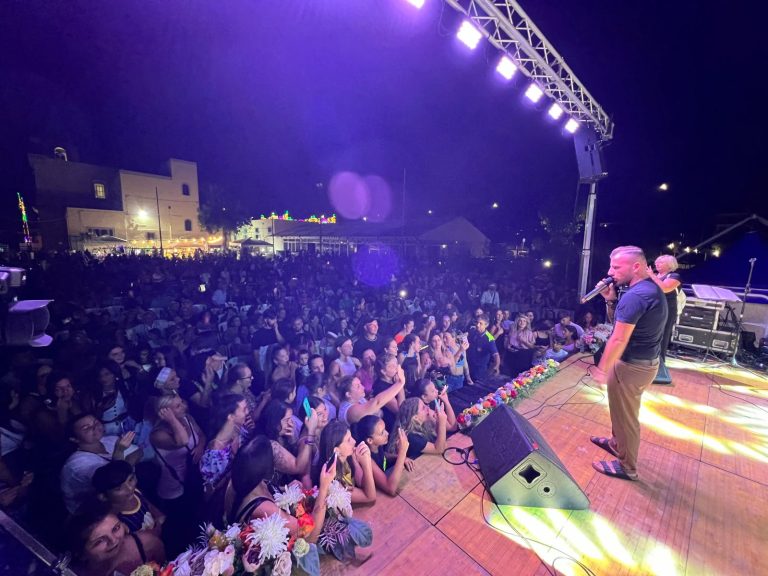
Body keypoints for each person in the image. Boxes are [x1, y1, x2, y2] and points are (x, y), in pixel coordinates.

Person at [590, 246, 667, 481]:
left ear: (636, 266)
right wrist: (610, 301)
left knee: (626, 418)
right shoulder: (647, 288)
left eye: (616, 267)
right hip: (639, 363)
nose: (610, 272)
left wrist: (602, 368)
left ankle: (627, 467)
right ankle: (616, 444)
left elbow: (618, 338)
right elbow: (620, 323)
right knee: (619, 411)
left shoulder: (636, 296)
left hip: (632, 366)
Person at [60, 414, 142, 514]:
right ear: (75, 439)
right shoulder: (78, 464)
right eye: (86, 428)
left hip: (119, 493)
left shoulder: (109, 440)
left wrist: (126, 462)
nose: (94, 427)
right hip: (89, 509)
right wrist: (120, 451)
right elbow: (114, 480)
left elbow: (139, 452)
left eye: (96, 422)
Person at [66, 499, 165, 576]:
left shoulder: (146, 544)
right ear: (82, 554)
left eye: (115, 529)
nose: (113, 541)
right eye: (99, 541)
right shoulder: (71, 572)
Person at [91, 460, 165, 536]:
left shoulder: (135, 492)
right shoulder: (115, 520)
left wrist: (158, 517)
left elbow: (148, 505)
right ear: (103, 496)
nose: (130, 488)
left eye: (130, 479)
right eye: (118, 488)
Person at [353, 415, 413, 496]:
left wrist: (399, 457)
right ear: (370, 440)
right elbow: (390, 488)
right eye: (382, 433)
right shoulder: (366, 457)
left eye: (385, 429)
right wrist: (402, 452)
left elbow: (383, 455)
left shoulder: (376, 446)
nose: (387, 433)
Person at [647, 254, 682, 364]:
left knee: (662, 334)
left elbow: (665, 288)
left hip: (667, 308)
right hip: (653, 307)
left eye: (661, 262)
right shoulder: (655, 275)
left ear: (670, 265)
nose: (657, 264)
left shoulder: (674, 276)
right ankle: (648, 359)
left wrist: (652, 276)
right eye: (656, 262)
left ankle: (660, 361)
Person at [466, 314, 500, 383]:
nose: (477, 325)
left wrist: (496, 366)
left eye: (480, 323)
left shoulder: (489, 338)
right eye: (477, 322)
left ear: (486, 325)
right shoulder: (473, 331)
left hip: (479, 370)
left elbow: (496, 355)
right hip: (469, 366)